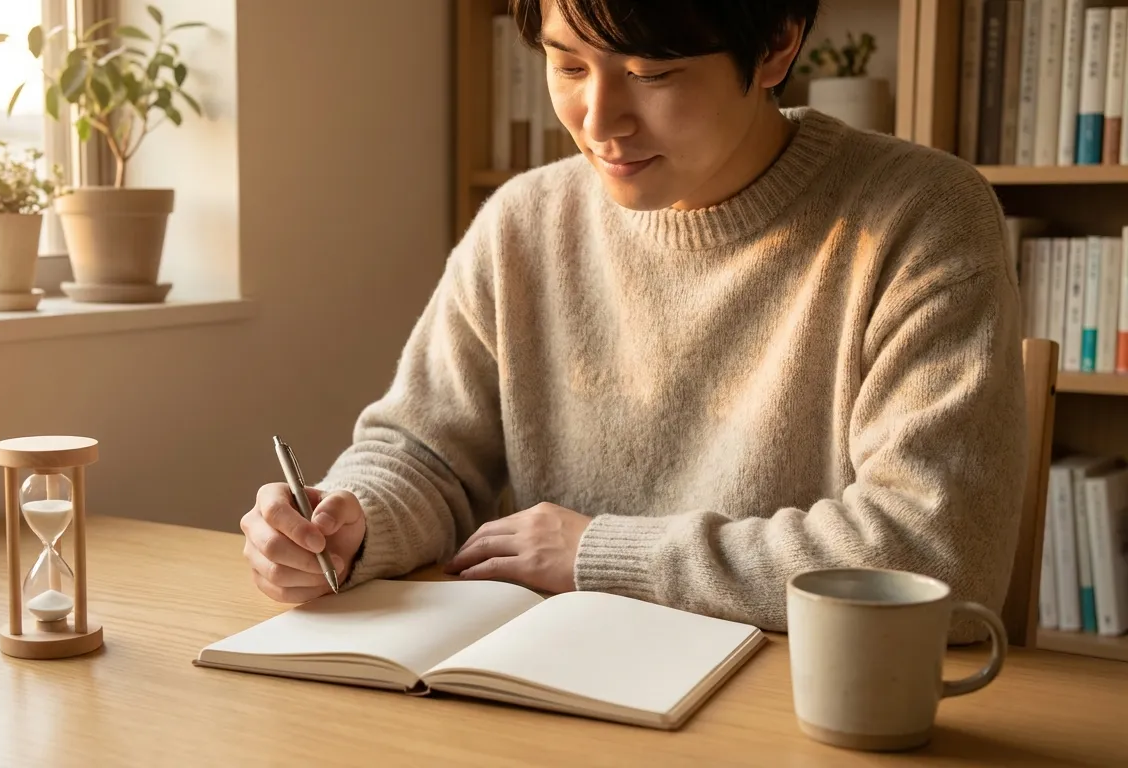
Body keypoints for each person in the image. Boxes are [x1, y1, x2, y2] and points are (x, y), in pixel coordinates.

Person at [239, 0, 1026, 642]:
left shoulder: (921, 217)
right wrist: (352, 523)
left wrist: (601, 554)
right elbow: (422, 451)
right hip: (555, 691)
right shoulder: (522, 223)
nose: (599, 119)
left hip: (791, 709)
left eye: (652, 74)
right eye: (568, 64)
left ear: (778, 45)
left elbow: (932, 552)